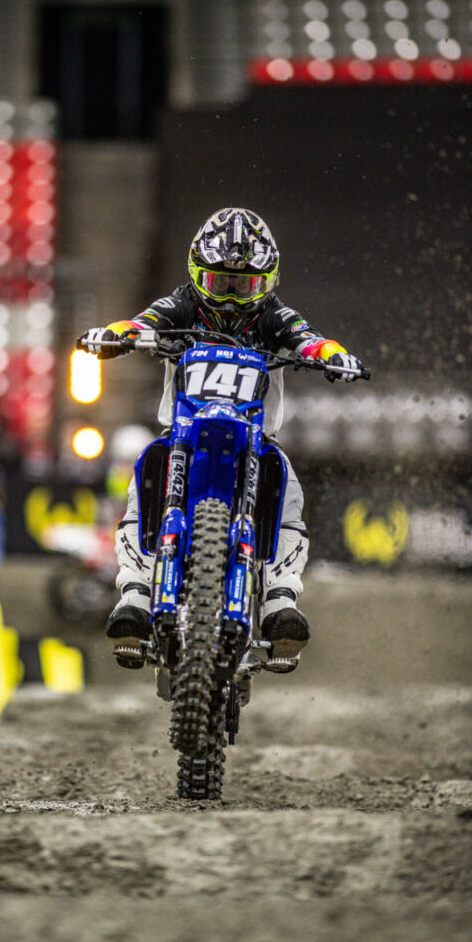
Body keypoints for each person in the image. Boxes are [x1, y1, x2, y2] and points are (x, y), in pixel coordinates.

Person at [78, 207, 365, 671]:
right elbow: (141, 322)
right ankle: (134, 593)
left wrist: (334, 355)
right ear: (197, 276)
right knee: (143, 475)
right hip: (184, 433)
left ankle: (279, 601)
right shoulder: (181, 305)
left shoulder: (274, 315)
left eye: (243, 286)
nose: (230, 299)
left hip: (254, 438)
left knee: (287, 488)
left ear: (266, 282)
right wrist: (114, 335)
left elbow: (308, 337)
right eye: (220, 283)